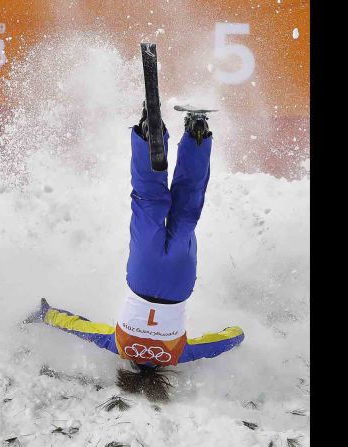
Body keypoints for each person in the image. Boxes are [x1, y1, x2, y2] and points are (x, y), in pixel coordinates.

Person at [25, 105, 244, 400]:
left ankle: (197, 133)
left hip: (179, 282)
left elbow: (223, 340)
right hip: (143, 277)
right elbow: (80, 327)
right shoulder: (119, 344)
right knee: (148, 204)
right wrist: (47, 314)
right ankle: (146, 135)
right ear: (129, 367)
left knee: (186, 212)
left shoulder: (176, 355)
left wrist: (238, 333)